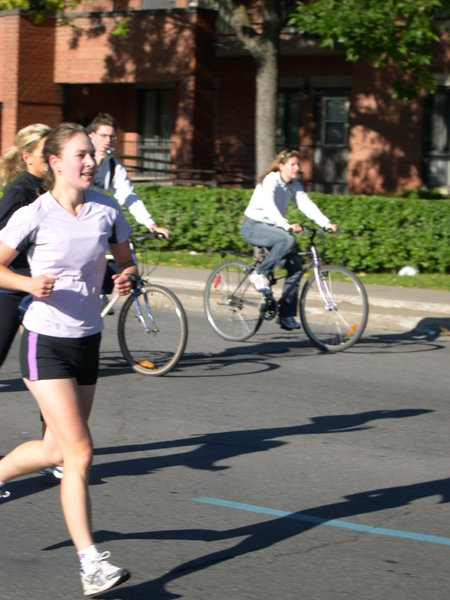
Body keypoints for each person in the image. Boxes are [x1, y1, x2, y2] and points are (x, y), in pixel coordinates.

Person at [0, 122, 136, 596]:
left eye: (92, 156)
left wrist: (125, 277)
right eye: (81, 155)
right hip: (45, 342)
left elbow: (125, 259)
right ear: (56, 163)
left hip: (88, 340)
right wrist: (26, 284)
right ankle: (90, 563)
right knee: (79, 453)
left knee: (56, 451)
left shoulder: (107, 209)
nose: (91, 162)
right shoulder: (34, 213)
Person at [241, 148, 338, 331]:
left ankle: (286, 315)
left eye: (298, 164)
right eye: (293, 164)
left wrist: (326, 223)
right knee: (288, 239)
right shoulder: (271, 180)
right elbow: (269, 208)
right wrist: (286, 225)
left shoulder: (294, 185)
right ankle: (260, 273)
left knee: (295, 267)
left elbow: (307, 206)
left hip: (273, 229)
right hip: (253, 226)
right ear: (281, 166)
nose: (297, 167)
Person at [0, 123, 51, 368]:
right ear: (27, 157)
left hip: (39, 286)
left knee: (46, 365)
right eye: (45, 152)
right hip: (12, 287)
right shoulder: (20, 192)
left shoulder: (51, 189)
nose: (52, 158)